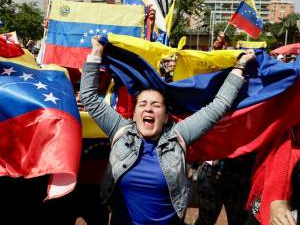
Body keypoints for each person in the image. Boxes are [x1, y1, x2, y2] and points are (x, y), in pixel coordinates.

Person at [80, 35, 256, 224]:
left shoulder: (179, 136)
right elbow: (89, 96)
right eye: (143, 104)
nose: (148, 108)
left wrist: (240, 66)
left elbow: (218, 106)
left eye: (155, 105)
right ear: (134, 113)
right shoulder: (120, 130)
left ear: (165, 116)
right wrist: (96, 52)